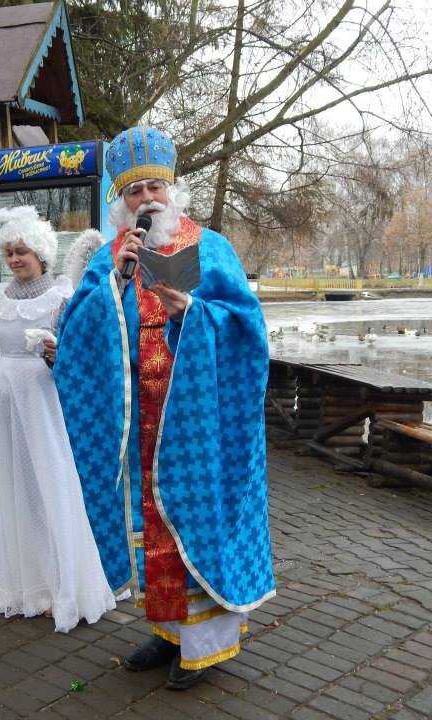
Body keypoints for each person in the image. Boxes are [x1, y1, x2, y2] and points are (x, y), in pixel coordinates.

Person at [54, 127, 275, 689]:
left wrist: (191, 314)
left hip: (195, 422)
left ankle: (205, 646)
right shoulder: (110, 257)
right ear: (122, 202)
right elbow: (76, 333)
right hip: (137, 425)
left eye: (155, 187)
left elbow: (248, 330)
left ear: (172, 192)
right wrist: (114, 287)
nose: (146, 198)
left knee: (193, 523)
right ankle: (169, 630)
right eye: (135, 191)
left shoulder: (210, 246)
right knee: (149, 529)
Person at [0, 205, 117, 633]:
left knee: (50, 487)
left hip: (46, 404)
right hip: (1, 404)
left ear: (41, 254)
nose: (14, 260)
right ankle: (17, 584)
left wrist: (56, 355)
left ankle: (58, 585)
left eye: (22, 252)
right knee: (9, 488)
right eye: (9, 253)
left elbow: (83, 358)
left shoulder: (63, 297)